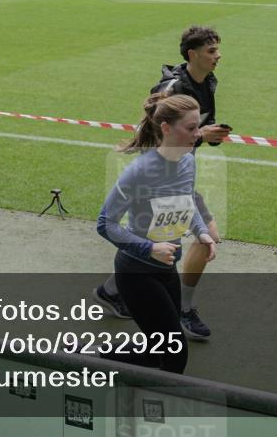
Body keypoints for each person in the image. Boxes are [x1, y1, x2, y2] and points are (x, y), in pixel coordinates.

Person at [94, 26, 229, 341]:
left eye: (218, 49)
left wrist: (205, 135)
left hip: (182, 169)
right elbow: (157, 132)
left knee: (158, 236)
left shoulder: (208, 81)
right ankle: (184, 309)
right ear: (192, 54)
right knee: (199, 234)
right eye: (211, 51)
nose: (218, 56)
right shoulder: (171, 89)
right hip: (161, 174)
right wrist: (200, 135)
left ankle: (111, 291)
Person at [97, 92, 217, 374]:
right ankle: (161, 411)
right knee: (175, 355)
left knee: (155, 351)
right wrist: (149, 248)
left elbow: (186, 201)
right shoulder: (139, 171)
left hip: (166, 269)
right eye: (190, 128)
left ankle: (87, 356)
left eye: (198, 126)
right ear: (166, 128)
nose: (197, 134)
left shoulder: (188, 162)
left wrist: (201, 232)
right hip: (135, 272)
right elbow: (105, 223)